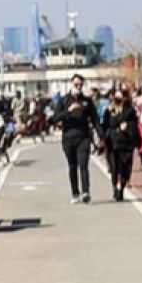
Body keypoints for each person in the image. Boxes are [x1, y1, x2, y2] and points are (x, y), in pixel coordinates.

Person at [49, 75, 102, 205]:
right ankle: (75, 192)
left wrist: (101, 136)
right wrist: (68, 111)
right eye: (75, 84)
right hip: (68, 137)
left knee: (83, 164)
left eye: (80, 85)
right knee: (72, 166)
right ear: (71, 84)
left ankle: (85, 192)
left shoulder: (86, 101)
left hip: (83, 137)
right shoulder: (63, 101)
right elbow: (54, 118)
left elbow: (95, 120)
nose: (78, 87)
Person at [103, 89, 140, 202]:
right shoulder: (109, 111)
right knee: (114, 167)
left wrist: (127, 127)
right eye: (116, 97)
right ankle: (115, 187)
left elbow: (134, 126)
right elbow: (105, 125)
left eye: (121, 97)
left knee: (125, 168)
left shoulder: (130, 111)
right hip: (113, 143)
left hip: (126, 143)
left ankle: (122, 188)